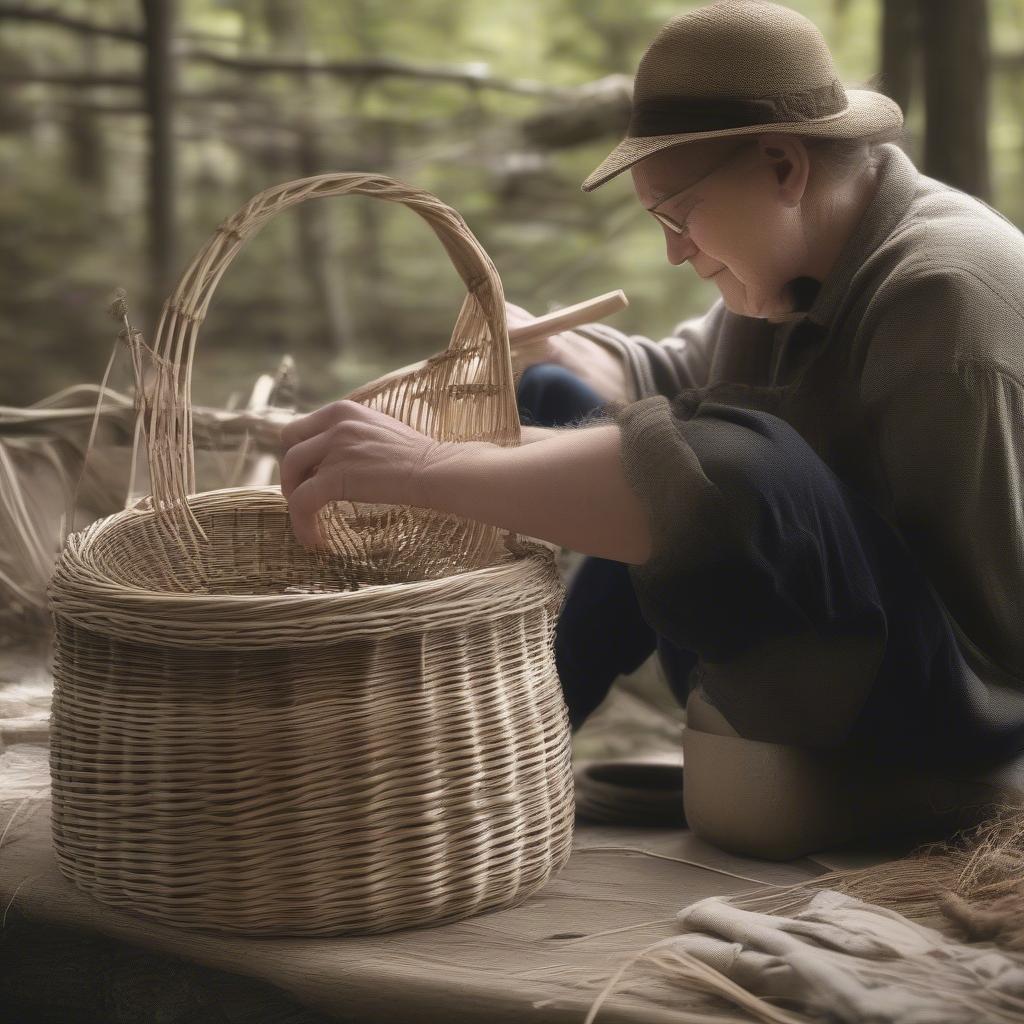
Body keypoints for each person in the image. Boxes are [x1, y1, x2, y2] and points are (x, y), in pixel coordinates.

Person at [280, 1, 1024, 782]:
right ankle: (507, 729)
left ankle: (500, 757)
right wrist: (546, 347)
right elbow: (668, 383)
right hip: (823, 627)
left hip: (960, 704)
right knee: (570, 395)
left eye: (680, 213)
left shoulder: (945, 302)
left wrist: (427, 467)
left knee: (729, 468)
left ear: (783, 166)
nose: (675, 253)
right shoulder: (794, 261)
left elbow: (985, 620)